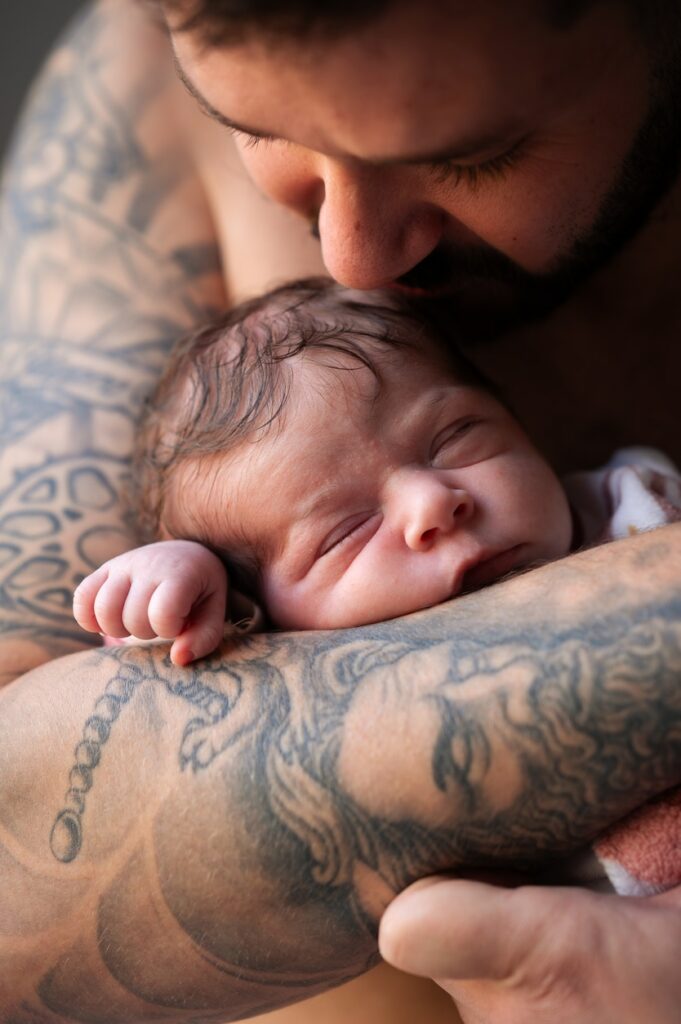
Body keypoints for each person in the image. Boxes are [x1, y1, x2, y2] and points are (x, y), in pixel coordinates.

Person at [1, 2, 681, 1023]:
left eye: (472, 156)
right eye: (263, 133)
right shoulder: (138, 86)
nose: (351, 256)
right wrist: (196, 593)